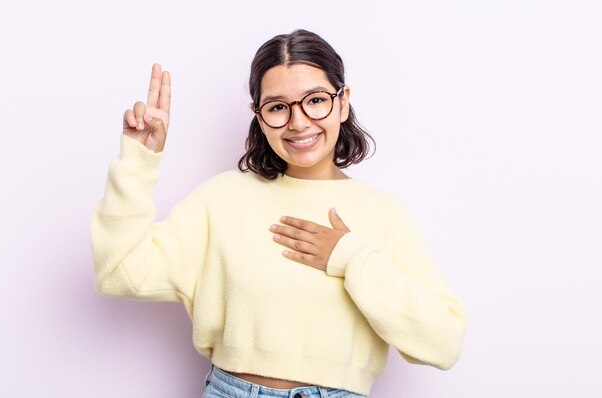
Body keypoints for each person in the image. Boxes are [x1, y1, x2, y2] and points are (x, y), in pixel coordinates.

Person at [91, 29, 468, 398]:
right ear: (259, 115)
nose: (299, 122)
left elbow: (443, 343)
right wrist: (138, 161)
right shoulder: (223, 198)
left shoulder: (384, 214)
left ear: (342, 100)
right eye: (278, 107)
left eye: (315, 100)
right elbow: (119, 272)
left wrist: (350, 258)